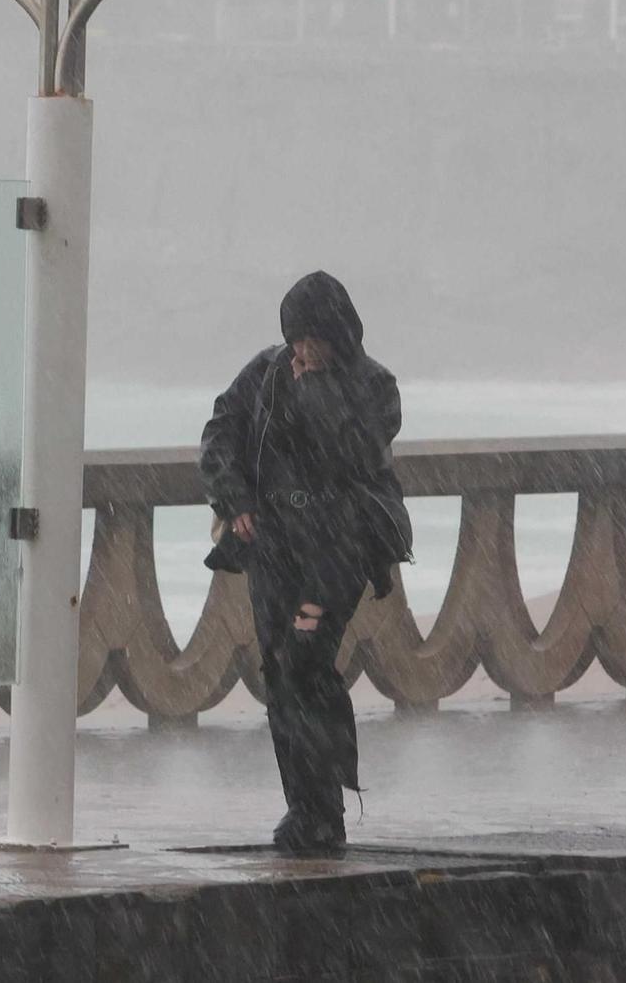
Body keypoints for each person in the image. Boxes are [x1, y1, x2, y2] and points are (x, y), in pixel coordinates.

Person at [199, 271, 413, 854]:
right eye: (295, 339)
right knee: (278, 672)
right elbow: (220, 430)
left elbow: (358, 452)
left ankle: (329, 809)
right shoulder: (265, 372)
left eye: (312, 340)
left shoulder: (374, 385)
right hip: (275, 548)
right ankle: (304, 808)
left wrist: (316, 389)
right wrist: (235, 499)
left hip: (338, 551)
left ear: (338, 335)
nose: (301, 352)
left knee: (307, 666)